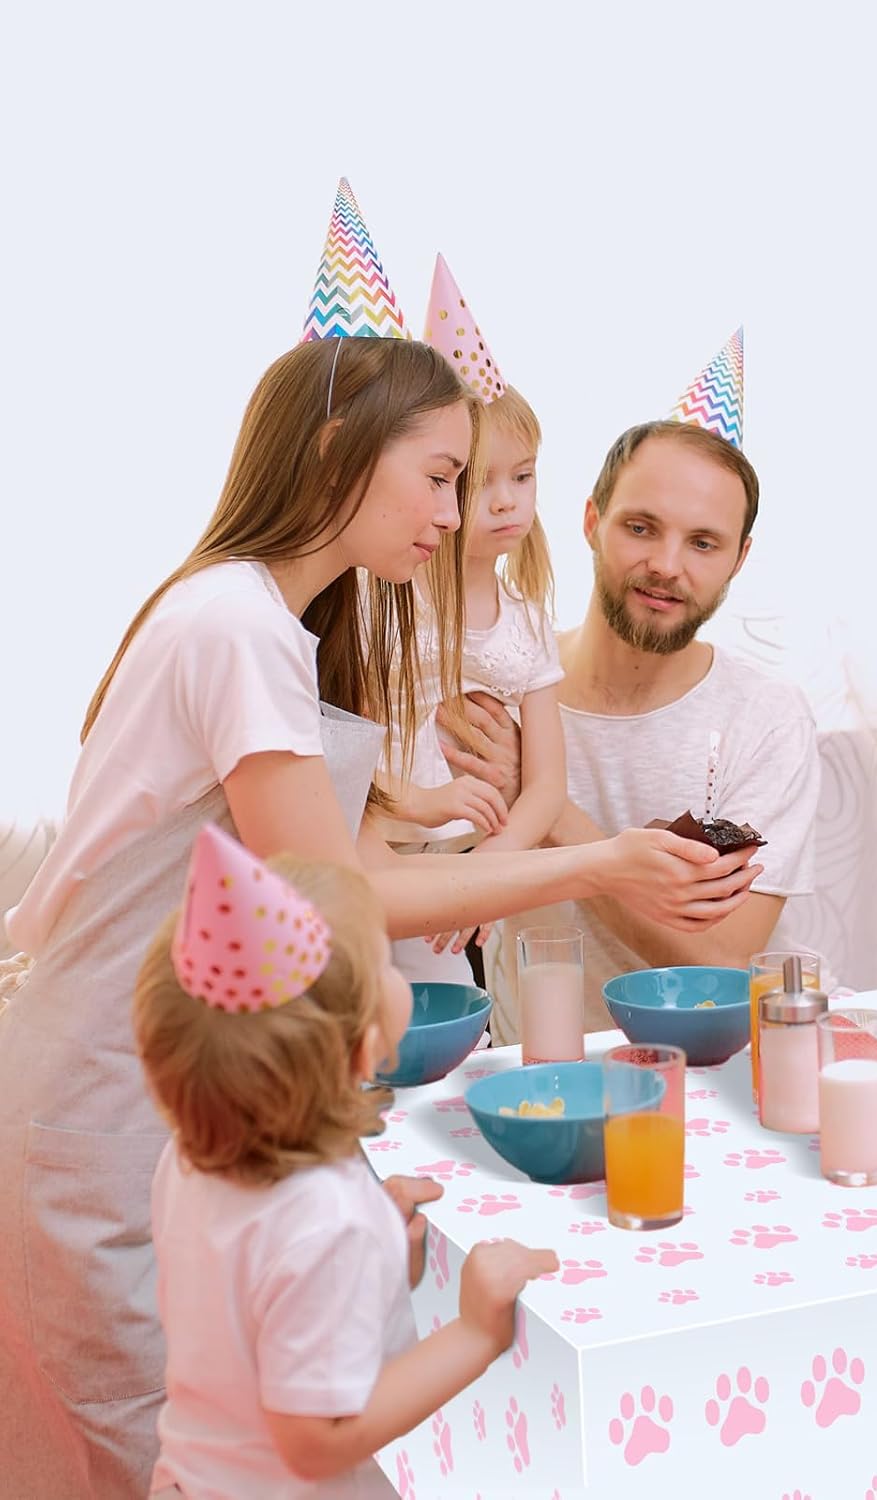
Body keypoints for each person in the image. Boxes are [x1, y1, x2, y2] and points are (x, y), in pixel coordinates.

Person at [0, 184, 753, 1495]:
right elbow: (332, 899)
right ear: (344, 449)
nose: (459, 516)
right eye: (443, 476)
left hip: (170, 1080)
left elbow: (318, 861)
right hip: (103, 1092)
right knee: (152, 1441)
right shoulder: (233, 626)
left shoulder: (262, 622)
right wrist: (601, 860)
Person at [136, 826, 557, 1497]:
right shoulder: (328, 1223)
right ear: (363, 1052)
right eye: (386, 962)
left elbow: (255, 1299)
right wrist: (476, 1332)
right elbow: (318, 1440)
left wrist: (378, 1253)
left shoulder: (188, 1162)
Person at [455, 332, 823, 1036]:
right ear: (592, 521)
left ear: (740, 559)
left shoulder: (767, 720)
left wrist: (549, 807)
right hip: (533, 1074)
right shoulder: (495, 688)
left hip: (713, 1072)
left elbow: (717, 962)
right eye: (641, 527)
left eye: (703, 542)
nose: (666, 565)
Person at [375, 257, 568, 986]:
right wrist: (418, 806)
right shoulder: (387, 597)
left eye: (523, 476)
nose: (508, 501)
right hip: (388, 857)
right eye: (476, 480)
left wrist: (496, 861)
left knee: (480, 1021)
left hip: (481, 862)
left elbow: (547, 781)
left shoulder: (526, 620)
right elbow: (344, 764)